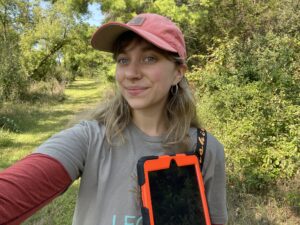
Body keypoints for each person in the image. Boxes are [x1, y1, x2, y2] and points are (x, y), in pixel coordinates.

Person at [0, 13, 227, 225]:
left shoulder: (205, 150)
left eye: (149, 58)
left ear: (178, 72)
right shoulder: (90, 138)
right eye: (123, 60)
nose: (131, 73)